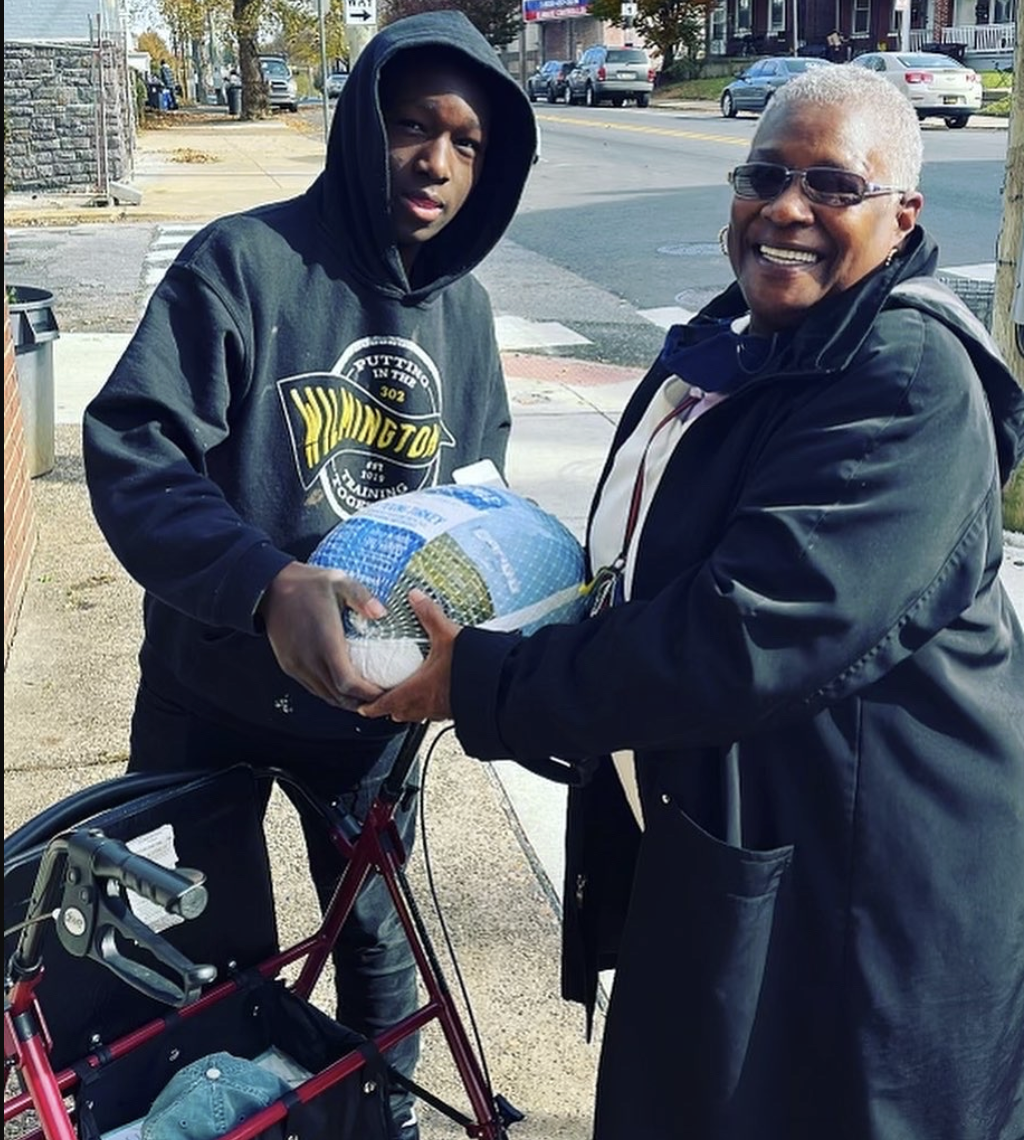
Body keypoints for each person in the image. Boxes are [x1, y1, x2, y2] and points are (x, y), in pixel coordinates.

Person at [362, 65, 1024, 1140]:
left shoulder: (906, 378)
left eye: (831, 184)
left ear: (902, 216)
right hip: (741, 827)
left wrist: (486, 683)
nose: (787, 208)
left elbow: (740, 635)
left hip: (869, 883)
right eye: (763, 173)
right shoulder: (746, 330)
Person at [82, 13, 537, 1140]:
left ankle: (377, 1121)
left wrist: (471, 638)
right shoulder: (243, 263)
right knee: (215, 951)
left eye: (468, 142)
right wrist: (262, 582)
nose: (437, 161)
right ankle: (231, 1115)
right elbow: (134, 447)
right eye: (409, 126)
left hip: (370, 720)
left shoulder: (469, 318)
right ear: (356, 127)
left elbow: (477, 503)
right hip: (211, 689)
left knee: (379, 944)